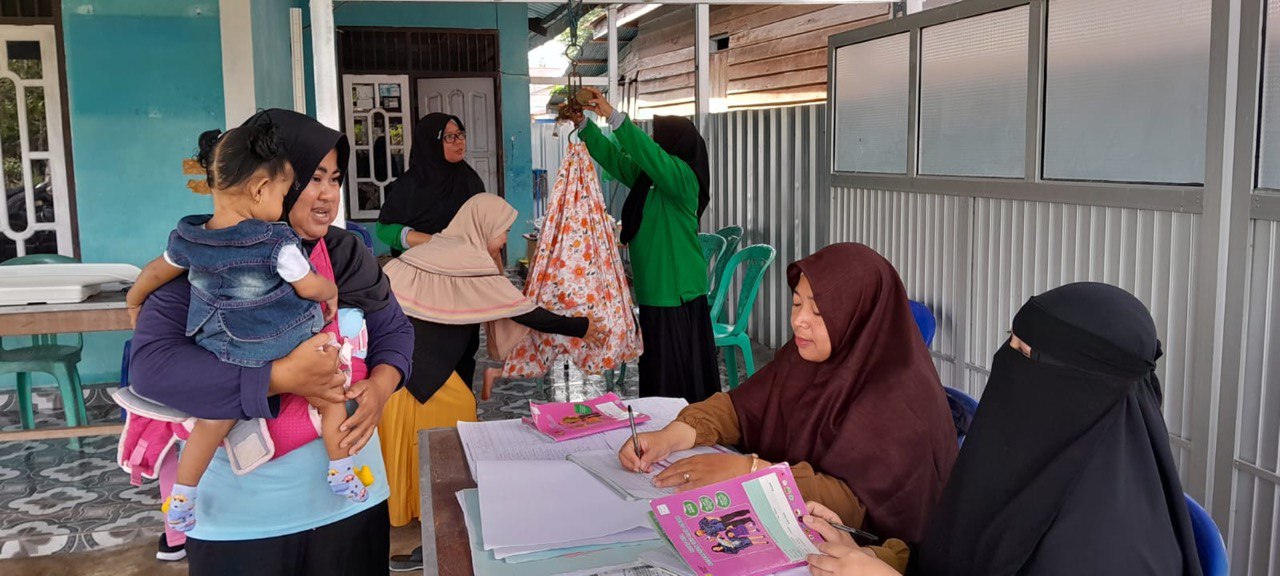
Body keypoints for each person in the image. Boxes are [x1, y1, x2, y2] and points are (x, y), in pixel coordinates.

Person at [129, 108, 413, 576]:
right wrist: (280, 377)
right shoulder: (206, 256)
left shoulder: (344, 253)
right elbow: (154, 369)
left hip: (351, 509)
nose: (328, 196)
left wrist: (382, 386)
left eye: (335, 179)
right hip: (241, 523)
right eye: (313, 179)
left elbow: (395, 333)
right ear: (267, 184)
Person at [803, 283, 1203, 576]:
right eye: (1009, 343)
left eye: (1023, 353)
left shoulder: (1112, 549)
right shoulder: (1035, 467)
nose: (1003, 362)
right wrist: (872, 554)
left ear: (1081, 386)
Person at [618, 243, 957, 543]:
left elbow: (858, 506)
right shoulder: (805, 357)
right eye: (796, 304)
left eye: (819, 312)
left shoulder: (900, 399)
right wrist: (671, 437)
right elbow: (741, 408)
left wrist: (749, 472)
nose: (799, 321)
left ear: (858, 318)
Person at [571, 88, 719, 402]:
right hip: (654, 290)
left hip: (677, 293)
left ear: (676, 144)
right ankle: (661, 429)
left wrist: (614, 116)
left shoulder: (683, 179)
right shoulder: (648, 180)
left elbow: (650, 156)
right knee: (658, 371)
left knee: (679, 375)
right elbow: (615, 158)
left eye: (659, 138)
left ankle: (688, 427)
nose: (654, 143)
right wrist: (584, 125)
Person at [376, 113, 484, 255]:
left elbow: (483, 225)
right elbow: (383, 229)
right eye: (449, 137)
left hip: (464, 265)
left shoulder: (470, 179)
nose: (459, 141)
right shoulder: (409, 185)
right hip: (420, 266)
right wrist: (434, 242)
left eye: (460, 134)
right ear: (430, 143)